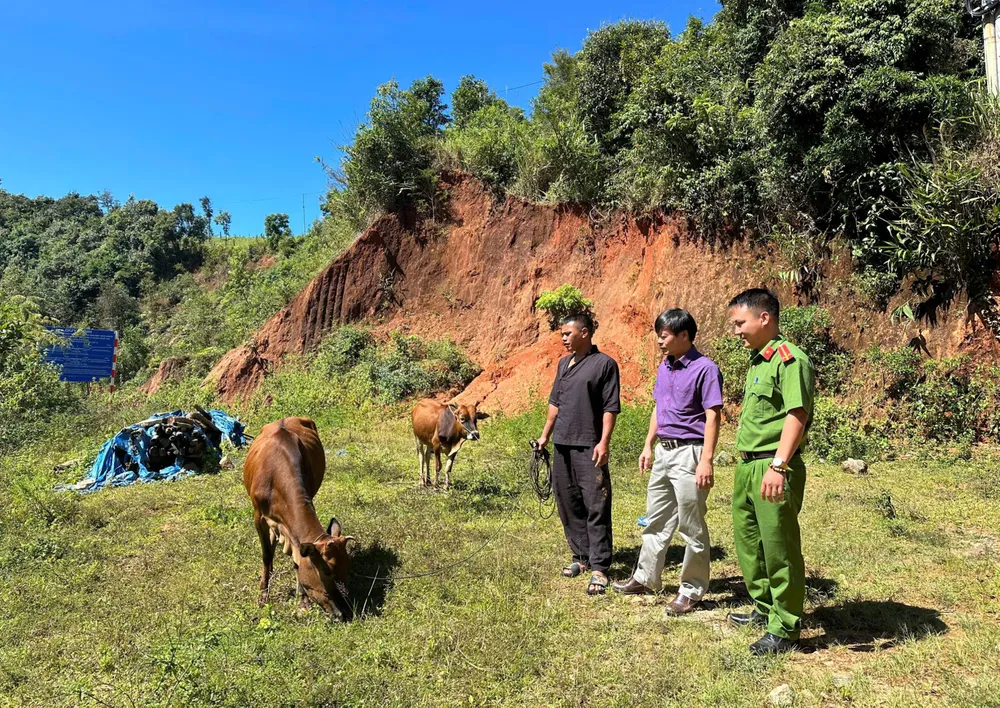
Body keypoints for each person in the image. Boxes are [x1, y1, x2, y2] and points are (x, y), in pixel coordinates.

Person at [612, 309, 723, 618]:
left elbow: (713, 416)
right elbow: (659, 407)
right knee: (655, 518)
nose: (659, 341)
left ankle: (691, 591)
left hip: (691, 453)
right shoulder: (665, 367)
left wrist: (707, 461)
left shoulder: (705, 369)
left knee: (691, 525)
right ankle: (646, 577)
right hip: (664, 452)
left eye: (664, 336)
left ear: (684, 336)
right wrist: (648, 444)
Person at [726, 289, 815, 655]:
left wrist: (779, 465)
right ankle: (765, 608)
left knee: (779, 548)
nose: (736, 331)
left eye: (740, 323)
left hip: (772, 464)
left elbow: (797, 414)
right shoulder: (757, 361)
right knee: (751, 546)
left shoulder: (789, 359)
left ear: (764, 318)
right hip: (748, 466)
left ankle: (785, 627)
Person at [536, 312, 621, 596]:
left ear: (584, 333)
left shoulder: (605, 364)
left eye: (568, 334)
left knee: (596, 503)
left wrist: (604, 441)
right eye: (561, 334)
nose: (563, 339)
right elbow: (555, 403)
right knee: (568, 502)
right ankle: (581, 558)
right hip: (562, 443)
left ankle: (599, 566)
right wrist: (545, 436)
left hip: (589, 444)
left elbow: (610, 407)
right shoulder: (563, 364)